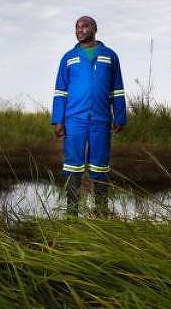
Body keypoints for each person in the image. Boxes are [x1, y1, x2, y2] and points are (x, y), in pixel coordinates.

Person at [51, 16, 126, 216]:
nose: (80, 30)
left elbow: (117, 90)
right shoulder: (68, 57)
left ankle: (100, 211)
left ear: (95, 28)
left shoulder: (109, 56)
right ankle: (71, 212)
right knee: (73, 165)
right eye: (77, 27)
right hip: (74, 119)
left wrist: (119, 116)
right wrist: (58, 119)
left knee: (100, 165)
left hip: (101, 119)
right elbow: (61, 91)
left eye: (85, 26)